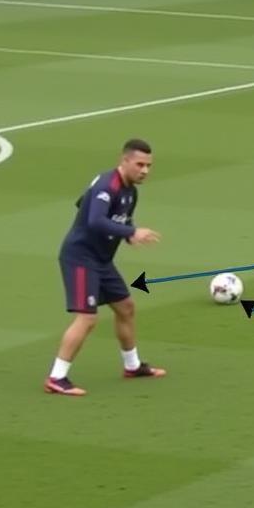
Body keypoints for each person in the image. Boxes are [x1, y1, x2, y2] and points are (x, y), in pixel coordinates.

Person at [45, 139, 166, 397]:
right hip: (80, 258)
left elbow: (87, 205)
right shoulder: (106, 185)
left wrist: (127, 234)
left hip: (101, 260)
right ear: (124, 161)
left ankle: (132, 367)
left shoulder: (130, 191)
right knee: (87, 317)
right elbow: (94, 219)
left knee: (126, 307)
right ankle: (57, 377)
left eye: (149, 165)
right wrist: (131, 231)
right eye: (140, 164)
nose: (145, 170)